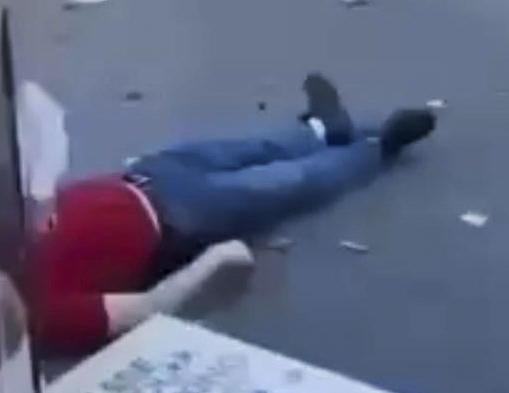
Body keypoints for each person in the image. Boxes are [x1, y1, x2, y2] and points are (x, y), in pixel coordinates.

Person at [25, 74, 436, 356]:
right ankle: (378, 147)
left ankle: (323, 130)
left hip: (144, 175)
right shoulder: (36, 315)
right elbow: (146, 308)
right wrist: (215, 263)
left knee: (252, 149)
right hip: (180, 219)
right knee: (293, 181)